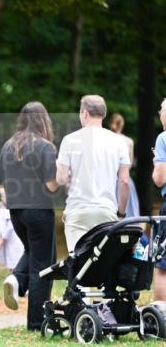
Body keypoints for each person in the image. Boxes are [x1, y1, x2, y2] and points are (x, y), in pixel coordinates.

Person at [0, 101, 59, 331]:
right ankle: (36, 322)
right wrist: (65, 179)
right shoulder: (46, 147)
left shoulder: (9, 145)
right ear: (43, 120)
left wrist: (9, 198)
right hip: (39, 211)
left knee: (35, 253)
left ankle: (17, 279)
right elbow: (51, 185)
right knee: (43, 264)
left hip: (16, 212)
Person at [56, 94, 130, 253]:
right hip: (107, 211)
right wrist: (121, 214)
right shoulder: (119, 142)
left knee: (78, 264)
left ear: (84, 113)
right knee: (103, 266)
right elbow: (124, 181)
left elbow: (61, 179)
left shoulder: (70, 140)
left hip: (77, 211)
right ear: (103, 114)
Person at [107, 112, 140, 217]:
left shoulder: (106, 139)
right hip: (124, 178)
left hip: (109, 180)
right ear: (122, 124)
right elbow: (129, 164)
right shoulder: (129, 141)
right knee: (129, 211)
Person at [152, 97, 166, 301]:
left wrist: (157, 162)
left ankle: (161, 318)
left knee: (162, 265)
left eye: (161, 109)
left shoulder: (163, 138)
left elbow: (160, 178)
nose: (159, 113)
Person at [0, 189, 24, 270]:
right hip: (11, 241)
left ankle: (17, 280)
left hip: (13, 241)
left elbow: (10, 226)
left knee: (15, 263)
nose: (1, 199)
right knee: (13, 263)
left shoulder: (10, 209)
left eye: (3, 197)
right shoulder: (6, 208)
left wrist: (3, 239)